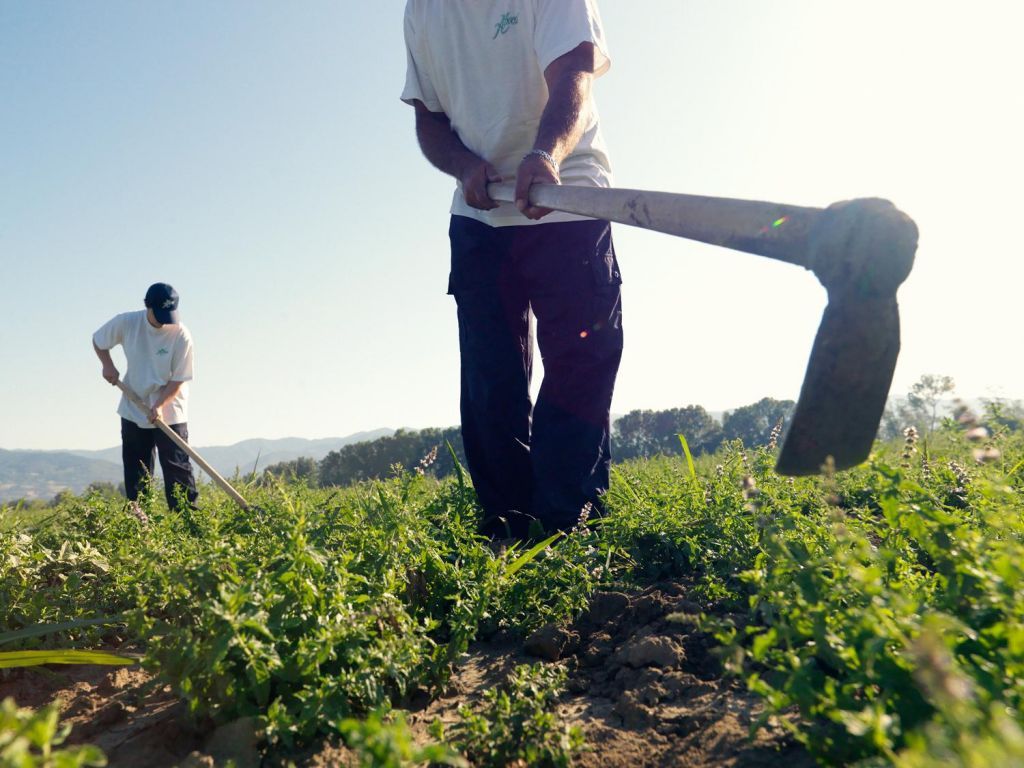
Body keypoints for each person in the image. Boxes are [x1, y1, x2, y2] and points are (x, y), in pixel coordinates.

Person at [402, 0, 624, 538]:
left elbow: (573, 73)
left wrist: (545, 153)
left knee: (579, 355)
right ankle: (507, 522)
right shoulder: (422, 10)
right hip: (479, 216)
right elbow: (428, 118)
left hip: (567, 194)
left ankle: (569, 521)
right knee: (489, 376)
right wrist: (462, 166)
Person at [92, 283, 198, 511]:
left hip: (170, 406)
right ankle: (141, 524)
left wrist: (159, 404)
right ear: (147, 306)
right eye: (159, 314)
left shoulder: (181, 334)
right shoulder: (127, 322)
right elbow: (98, 340)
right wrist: (107, 366)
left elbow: (179, 378)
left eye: (169, 315)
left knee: (177, 467)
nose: (164, 321)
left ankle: (188, 522)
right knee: (136, 470)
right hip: (134, 403)